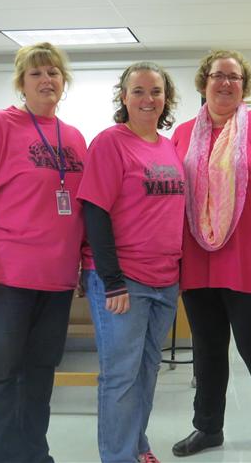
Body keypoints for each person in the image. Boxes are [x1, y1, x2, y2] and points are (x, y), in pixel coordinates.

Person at [0, 42, 87, 463]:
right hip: (2, 278)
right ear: (21, 83)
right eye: (36, 73)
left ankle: (33, 455)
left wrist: (81, 266)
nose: (46, 80)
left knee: (40, 376)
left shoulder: (74, 137)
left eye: (53, 72)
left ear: (64, 81)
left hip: (55, 280)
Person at [171, 50, 251, 463]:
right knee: (208, 350)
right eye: (218, 75)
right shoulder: (183, 133)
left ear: (244, 86)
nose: (225, 83)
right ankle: (208, 428)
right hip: (198, 261)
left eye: (234, 77)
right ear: (203, 81)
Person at [77, 62, 185, 463]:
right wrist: (112, 280)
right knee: (121, 374)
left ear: (166, 98)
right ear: (124, 97)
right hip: (124, 280)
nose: (147, 99)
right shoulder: (110, 143)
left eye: (155, 91)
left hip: (164, 278)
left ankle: (137, 446)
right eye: (138, 91)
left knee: (147, 370)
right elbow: (95, 212)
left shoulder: (168, 147)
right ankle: (119, 456)